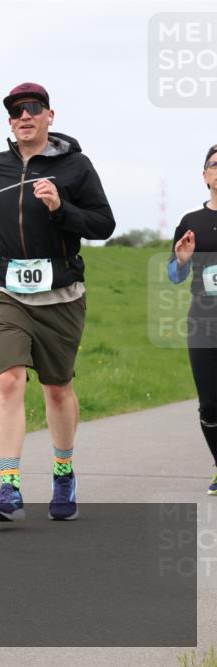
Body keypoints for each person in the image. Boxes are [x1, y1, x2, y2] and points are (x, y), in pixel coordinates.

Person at [0, 82, 115, 522]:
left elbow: (103, 224)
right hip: (7, 290)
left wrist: (60, 208)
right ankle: (9, 485)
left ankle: (63, 473)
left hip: (60, 295)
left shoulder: (76, 167)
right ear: (10, 122)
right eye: (16, 111)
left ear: (50, 116)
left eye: (33, 108)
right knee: (9, 380)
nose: (24, 116)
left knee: (57, 388)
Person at [168, 144, 217, 494]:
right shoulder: (191, 222)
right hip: (204, 322)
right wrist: (182, 261)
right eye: (215, 164)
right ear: (205, 175)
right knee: (210, 405)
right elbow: (174, 276)